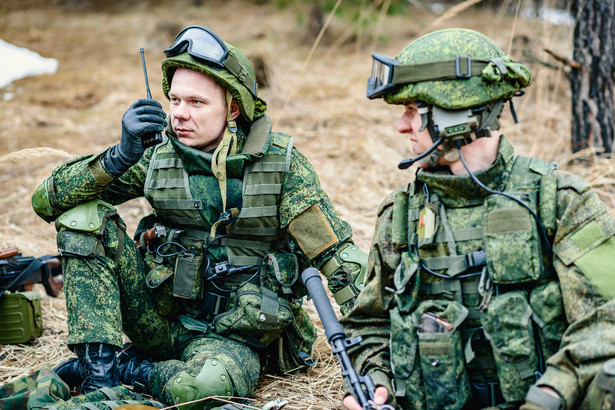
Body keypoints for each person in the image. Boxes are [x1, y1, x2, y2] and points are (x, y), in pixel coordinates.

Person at [30, 25, 366, 409]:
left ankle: (131, 370)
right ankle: (98, 377)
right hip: (155, 319)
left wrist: (375, 354)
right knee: (84, 217)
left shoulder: (279, 166)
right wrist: (118, 156)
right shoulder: (156, 154)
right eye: (174, 100)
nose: (179, 115)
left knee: (197, 389)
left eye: (196, 102)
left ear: (233, 108)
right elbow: (48, 202)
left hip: (231, 338)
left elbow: (339, 260)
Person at [341, 28, 615, 410]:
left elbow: (608, 318)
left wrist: (551, 394)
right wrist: (375, 381)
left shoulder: (559, 200)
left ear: (454, 112)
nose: (401, 127)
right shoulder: (401, 215)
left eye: (411, 112)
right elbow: (369, 325)